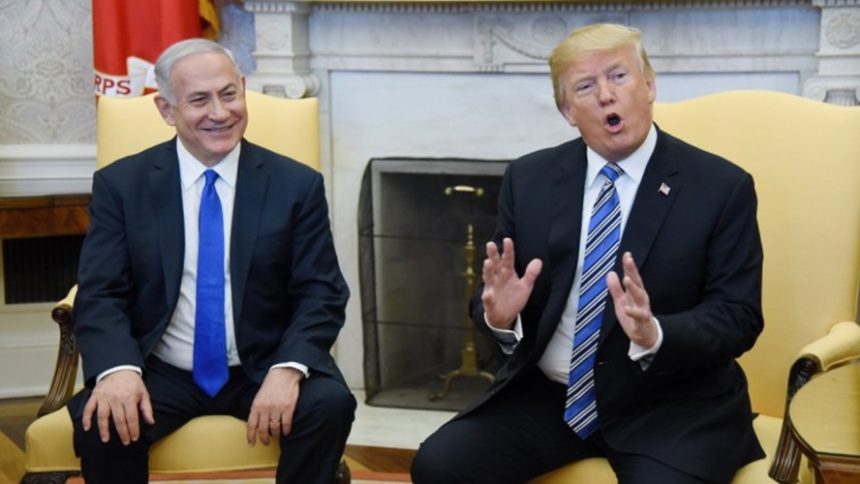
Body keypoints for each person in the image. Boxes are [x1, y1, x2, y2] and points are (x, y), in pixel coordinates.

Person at [411, 23, 764, 483]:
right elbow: (495, 294)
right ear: (567, 111)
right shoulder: (529, 179)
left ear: (649, 85)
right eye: (585, 86)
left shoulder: (721, 187)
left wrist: (655, 333)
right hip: (551, 398)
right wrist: (499, 316)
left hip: (671, 406)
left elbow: (739, 316)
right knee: (439, 466)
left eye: (618, 76)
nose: (606, 95)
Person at [68, 38, 355, 484]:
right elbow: (101, 291)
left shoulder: (296, 185)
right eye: (199, 100)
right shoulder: (122, 185)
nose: (220, 113)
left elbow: (321, 291)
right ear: (166, 110)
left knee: (329, 405)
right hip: (161, 366)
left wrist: (287, 368)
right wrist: (119, 369)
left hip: (262, 362)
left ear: (244, 89)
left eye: (229, 94)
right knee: (102, 419)